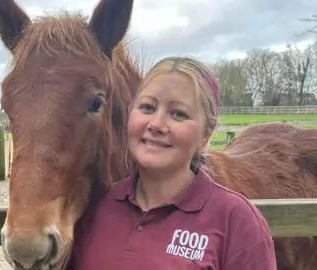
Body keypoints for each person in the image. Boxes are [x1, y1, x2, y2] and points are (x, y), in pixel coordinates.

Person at [68, 56, 277, 269]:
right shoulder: (98, 207)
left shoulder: (237, 221)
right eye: (148, 107)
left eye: (178, 114)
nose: (157, 124)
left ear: (206, 135)